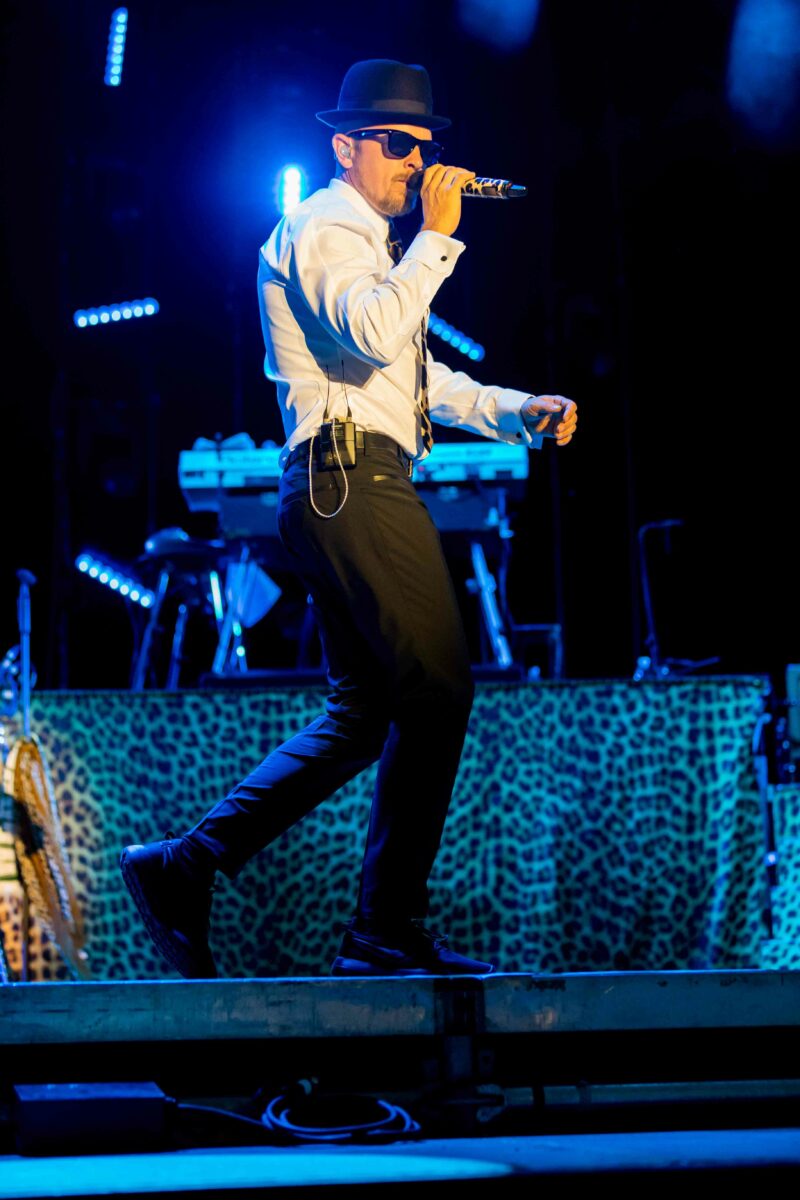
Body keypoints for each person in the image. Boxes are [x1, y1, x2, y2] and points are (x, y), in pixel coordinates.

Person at [120, 59, 578, 980]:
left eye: (424, 146)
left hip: (349, 478)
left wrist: (514, 407)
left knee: (366, 716)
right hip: (349, 479)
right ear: (344, 149)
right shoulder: (327, 224)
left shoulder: (370, 244)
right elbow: (373, 332)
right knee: (437, 690)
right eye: (397, 144)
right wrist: (438, 239)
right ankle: (384, 928)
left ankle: (184, 866)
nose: (417, 162)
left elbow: (408, 375)